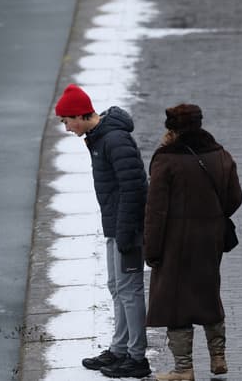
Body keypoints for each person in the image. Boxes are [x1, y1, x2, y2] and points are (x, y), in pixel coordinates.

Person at [55, 84, 151, 379]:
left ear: (80, 115)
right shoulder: (98, 139)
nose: (67, 128)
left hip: (128, 228)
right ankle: (119, 349)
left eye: (66, 121)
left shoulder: (114, 140)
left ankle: (137, 358)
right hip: (115, 225)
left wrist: (125, 232)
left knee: (130, 291)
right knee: (116, 287)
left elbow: (134, 187)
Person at [143, 104, 242, 380]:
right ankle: (218, 357)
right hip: (210, 240)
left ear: (172, 128)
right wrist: (212, 218)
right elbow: (235, 197)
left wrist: (151, 250)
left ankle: (183, 369)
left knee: (175, 304)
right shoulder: (220, 154)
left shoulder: (166, 160)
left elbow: (155, 212)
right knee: (208, 293)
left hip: (174, 244)